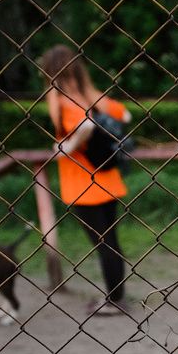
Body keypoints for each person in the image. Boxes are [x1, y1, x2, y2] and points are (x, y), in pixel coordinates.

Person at [39, 44, 131, 316]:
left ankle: (115, 301)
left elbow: (85, 127)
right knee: (110, 241)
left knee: (104, 244)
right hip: (108, 178)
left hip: (83, 184)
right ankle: (116, 296)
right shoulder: (90, 96)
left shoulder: (62, 101)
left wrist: (65, 147)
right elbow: (125, 115)